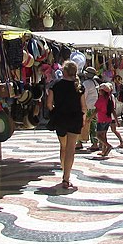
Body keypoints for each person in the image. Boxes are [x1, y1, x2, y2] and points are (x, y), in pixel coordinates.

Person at [45, 60, 86, 189]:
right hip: (75, 119)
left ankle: (64, 170)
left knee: (63, 146)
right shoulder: (78, 86)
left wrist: (55, 111)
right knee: (70, 149)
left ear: (64, 71)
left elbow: (49, 104)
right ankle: (66, 177)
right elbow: (83, 107)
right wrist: (83, 119)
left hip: (60, 119)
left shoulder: (55, 85)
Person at [95, 82, 123, 157]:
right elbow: (113, 110)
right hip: (108, 119)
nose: (98, 91)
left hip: (102, 119)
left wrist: (90, 117)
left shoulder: (102, 99)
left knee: (98, 135)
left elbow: (97, 109)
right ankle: (104, 151)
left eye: (100, 90)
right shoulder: (110, 98)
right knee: (104, 135)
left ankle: (108, 146)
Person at [81, 67, 100, 150]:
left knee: (84, 124)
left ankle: (80, 141)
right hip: (94, 107)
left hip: (87, 107)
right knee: (93, 125)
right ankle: (95, 142)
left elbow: (83, 96)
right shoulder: (96, 83)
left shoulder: (86, 84)